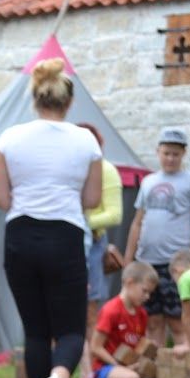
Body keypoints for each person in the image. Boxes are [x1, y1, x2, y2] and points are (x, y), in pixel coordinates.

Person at [0, 58, 102, 378]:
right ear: (68, 103)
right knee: (70, 328)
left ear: (34, 100)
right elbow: (93, 197)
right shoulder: (86, 141)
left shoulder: (9, 138)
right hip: (65, 235)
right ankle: (60, 377)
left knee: (35, 331)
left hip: (20, 236)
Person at [122, 129, 190, 350]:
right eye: (166, 153)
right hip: (147, 261)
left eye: (175, 154)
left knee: (178, 320)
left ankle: (183, 366)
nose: (170, 158)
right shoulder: (149, 181)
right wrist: (128, 258)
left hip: (175, 264)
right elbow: (137, 222)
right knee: (152, 321)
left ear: (183, 155)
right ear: (157, 152)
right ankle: (156, 371)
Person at [75, 122, 122, 347]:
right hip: (66, 242)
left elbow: (114, 215)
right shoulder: (68, 167)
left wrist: (80, 222)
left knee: (91, 308)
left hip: (93, 242)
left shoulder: (106, 170)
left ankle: (91, 367)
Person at [88, 261, 157, 378]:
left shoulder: (142, 314)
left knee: (156, 375)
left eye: (150, 293)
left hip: (128, 365)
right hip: (105, 367)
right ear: (129, 283)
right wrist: (117, 365)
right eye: (144, 291)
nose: (147, 297)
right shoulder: (111, 310)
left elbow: (139, 346)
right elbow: (95, 347)